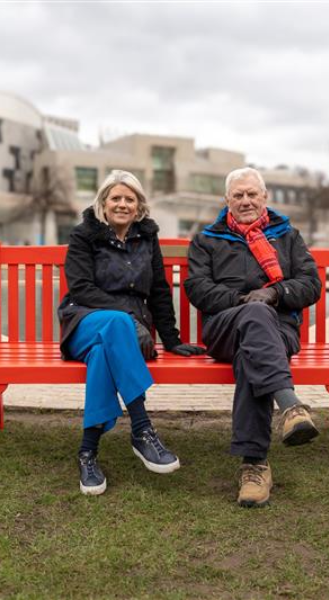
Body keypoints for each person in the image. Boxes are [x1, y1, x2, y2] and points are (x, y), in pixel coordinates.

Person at [58, 170, 205, 495]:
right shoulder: (84, 235)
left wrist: (172, 339)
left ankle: (88, 452)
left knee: (102, 355)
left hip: (124, 336)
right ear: (103, 202)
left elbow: (159, 291)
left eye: (130, 198)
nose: (123, 204)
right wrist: (128, 318)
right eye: (116, 198)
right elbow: (80, 288)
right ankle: (141, 428)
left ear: (139, 205)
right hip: (85, 321)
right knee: (116, 325)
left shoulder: (146, 238)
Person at [184, 167, 323, 508]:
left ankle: (255, 466)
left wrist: (274, 294)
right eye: (238, 195)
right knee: (255, 316)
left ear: (264, 198)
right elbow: (198, 290)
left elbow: (311, 284)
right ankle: (290, 407)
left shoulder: (287, 236)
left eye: (251, 194)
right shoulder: (207, 239)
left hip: (279, 331)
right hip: (224, 328)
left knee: (254, 353)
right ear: (226, 201)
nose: (245, 201)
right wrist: (247, 301)